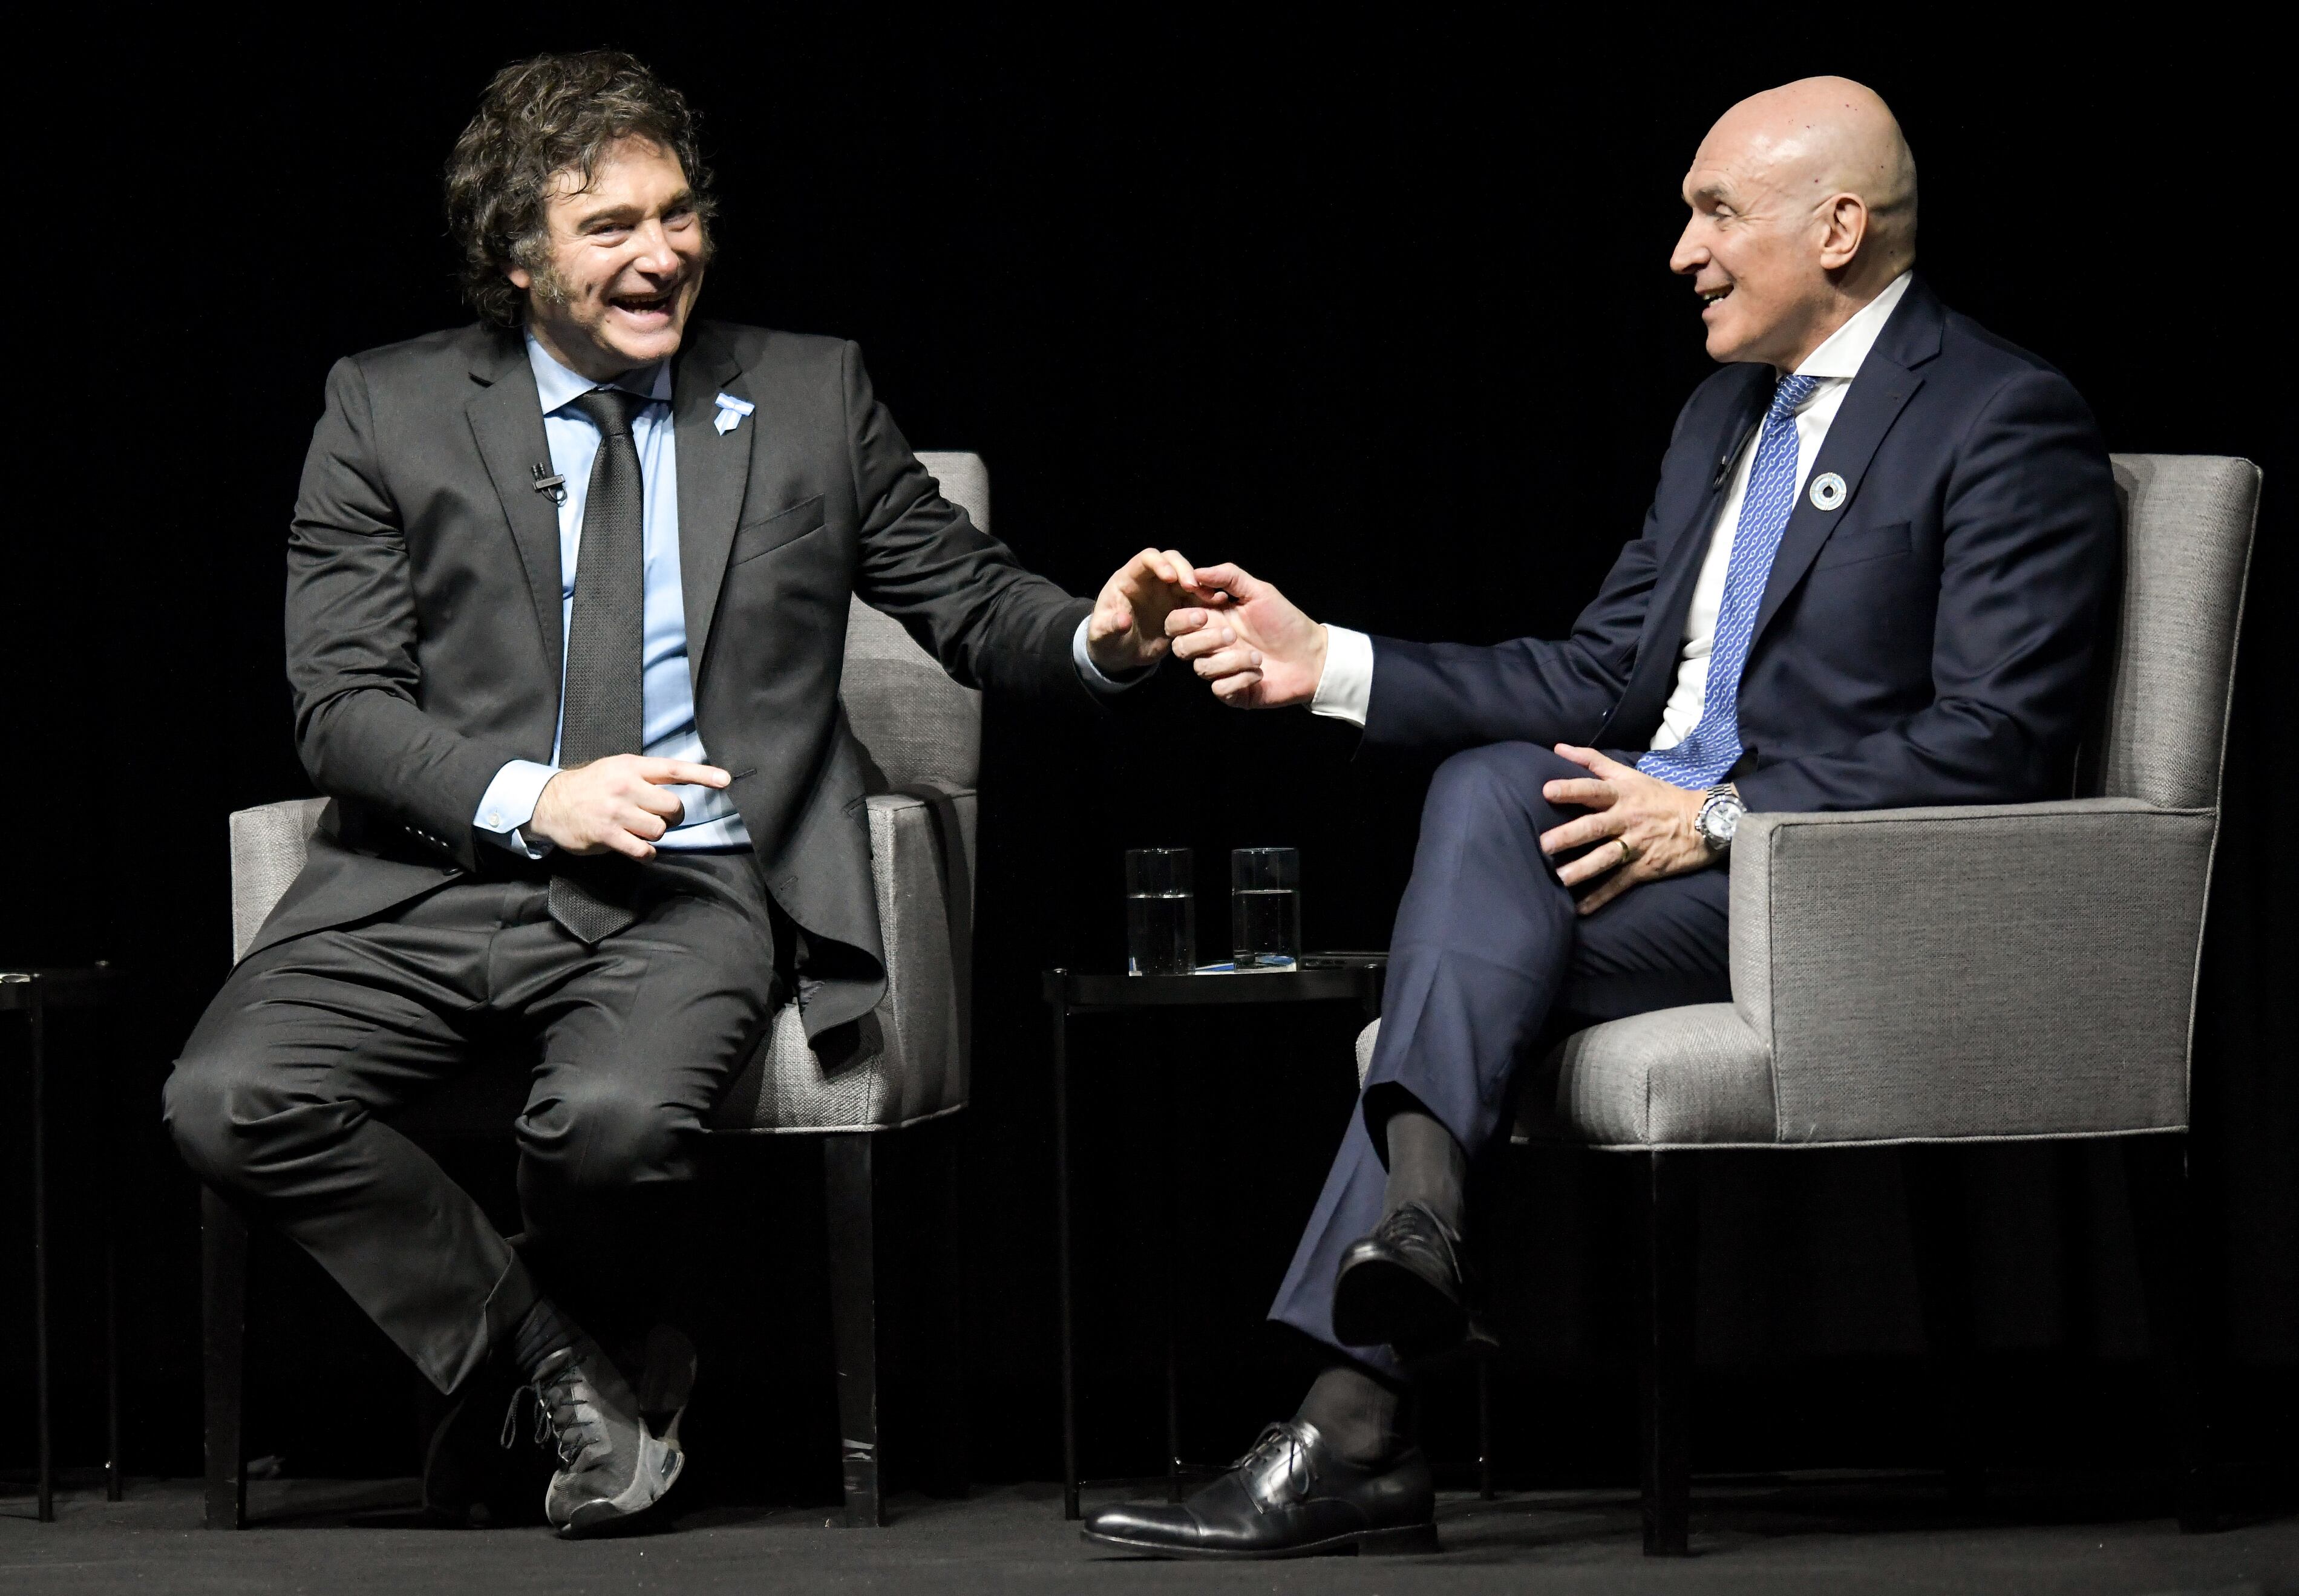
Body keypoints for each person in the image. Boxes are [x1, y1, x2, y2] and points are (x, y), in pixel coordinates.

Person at [162, 50, 1198, 1537]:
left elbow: (972, 601)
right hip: (437, 875)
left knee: (610, 1124)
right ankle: (561, 1362)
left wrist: (1101, 638)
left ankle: (538, 1386)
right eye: (611, 227)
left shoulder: (807, 393)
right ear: (518, 257)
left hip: (690, 881)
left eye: (678, 213)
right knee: (225, 1096)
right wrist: (534, 795)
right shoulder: (384, 407)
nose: (663, 253)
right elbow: (340, 704)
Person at [1085, 76, 2118, 1558]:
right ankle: (1401, 1283)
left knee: (1463, 924)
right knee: (1488, 789)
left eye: (1715, 213)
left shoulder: (2000, 414)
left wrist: (1720, 816)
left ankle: (1361, 1408)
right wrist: (1331, 662)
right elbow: (1597, 670)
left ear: (1836, 228)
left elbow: (1997, 738)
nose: (1683, 252)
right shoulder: (1722, 417)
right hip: (1658, 862)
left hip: (1831, 889)